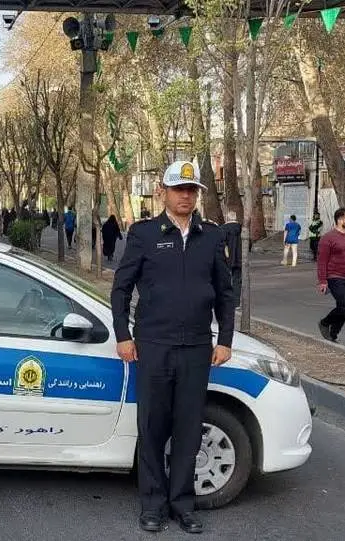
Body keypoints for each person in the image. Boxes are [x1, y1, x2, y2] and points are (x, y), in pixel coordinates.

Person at [111, 160, 236, 535]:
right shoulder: (144, 234)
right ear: (163, 192)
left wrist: (225, 340)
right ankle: (153, 504)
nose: (186, 196)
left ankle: (183, 503)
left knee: (188, 429)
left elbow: (225, 294)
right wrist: (123, 335)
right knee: (152, 427)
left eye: (191, 190)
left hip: (196, 348)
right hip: (153, 346)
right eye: (179, 189)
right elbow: (121, 289)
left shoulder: (210, 236)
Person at [317, 207, 345, 343]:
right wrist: (322, 281)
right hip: (335, 277)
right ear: (340, 220)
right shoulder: (328, 238)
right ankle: (324, 323)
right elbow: (322, 261)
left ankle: (333, 334)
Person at [220, 210, 242, 307]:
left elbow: (221, 244)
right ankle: (236, 302)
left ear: (227, 218)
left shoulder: (223, 229)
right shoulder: (242, 228)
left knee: (225, 280)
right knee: (237, 280)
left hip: (227, 258)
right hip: (239, 258)